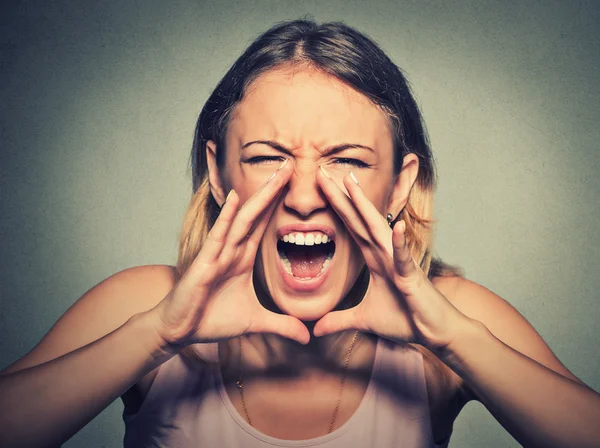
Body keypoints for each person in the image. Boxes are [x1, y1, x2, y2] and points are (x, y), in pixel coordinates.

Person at [1, 18, 599, 448]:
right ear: (218, 172)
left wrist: (451, 338)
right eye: (266, 157)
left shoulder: (452, 321)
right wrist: (158, 334)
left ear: (397, 185)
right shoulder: (143, 303)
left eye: (349, 160)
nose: (306, 195)